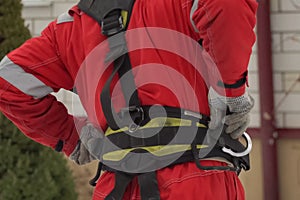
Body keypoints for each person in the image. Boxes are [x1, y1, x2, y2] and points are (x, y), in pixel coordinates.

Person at [0, 0, 258, 199]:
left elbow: (9, 80)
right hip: (196, 178)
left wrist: (73, 136)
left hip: (115, 187)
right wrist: (229, 89)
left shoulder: (69, 27)